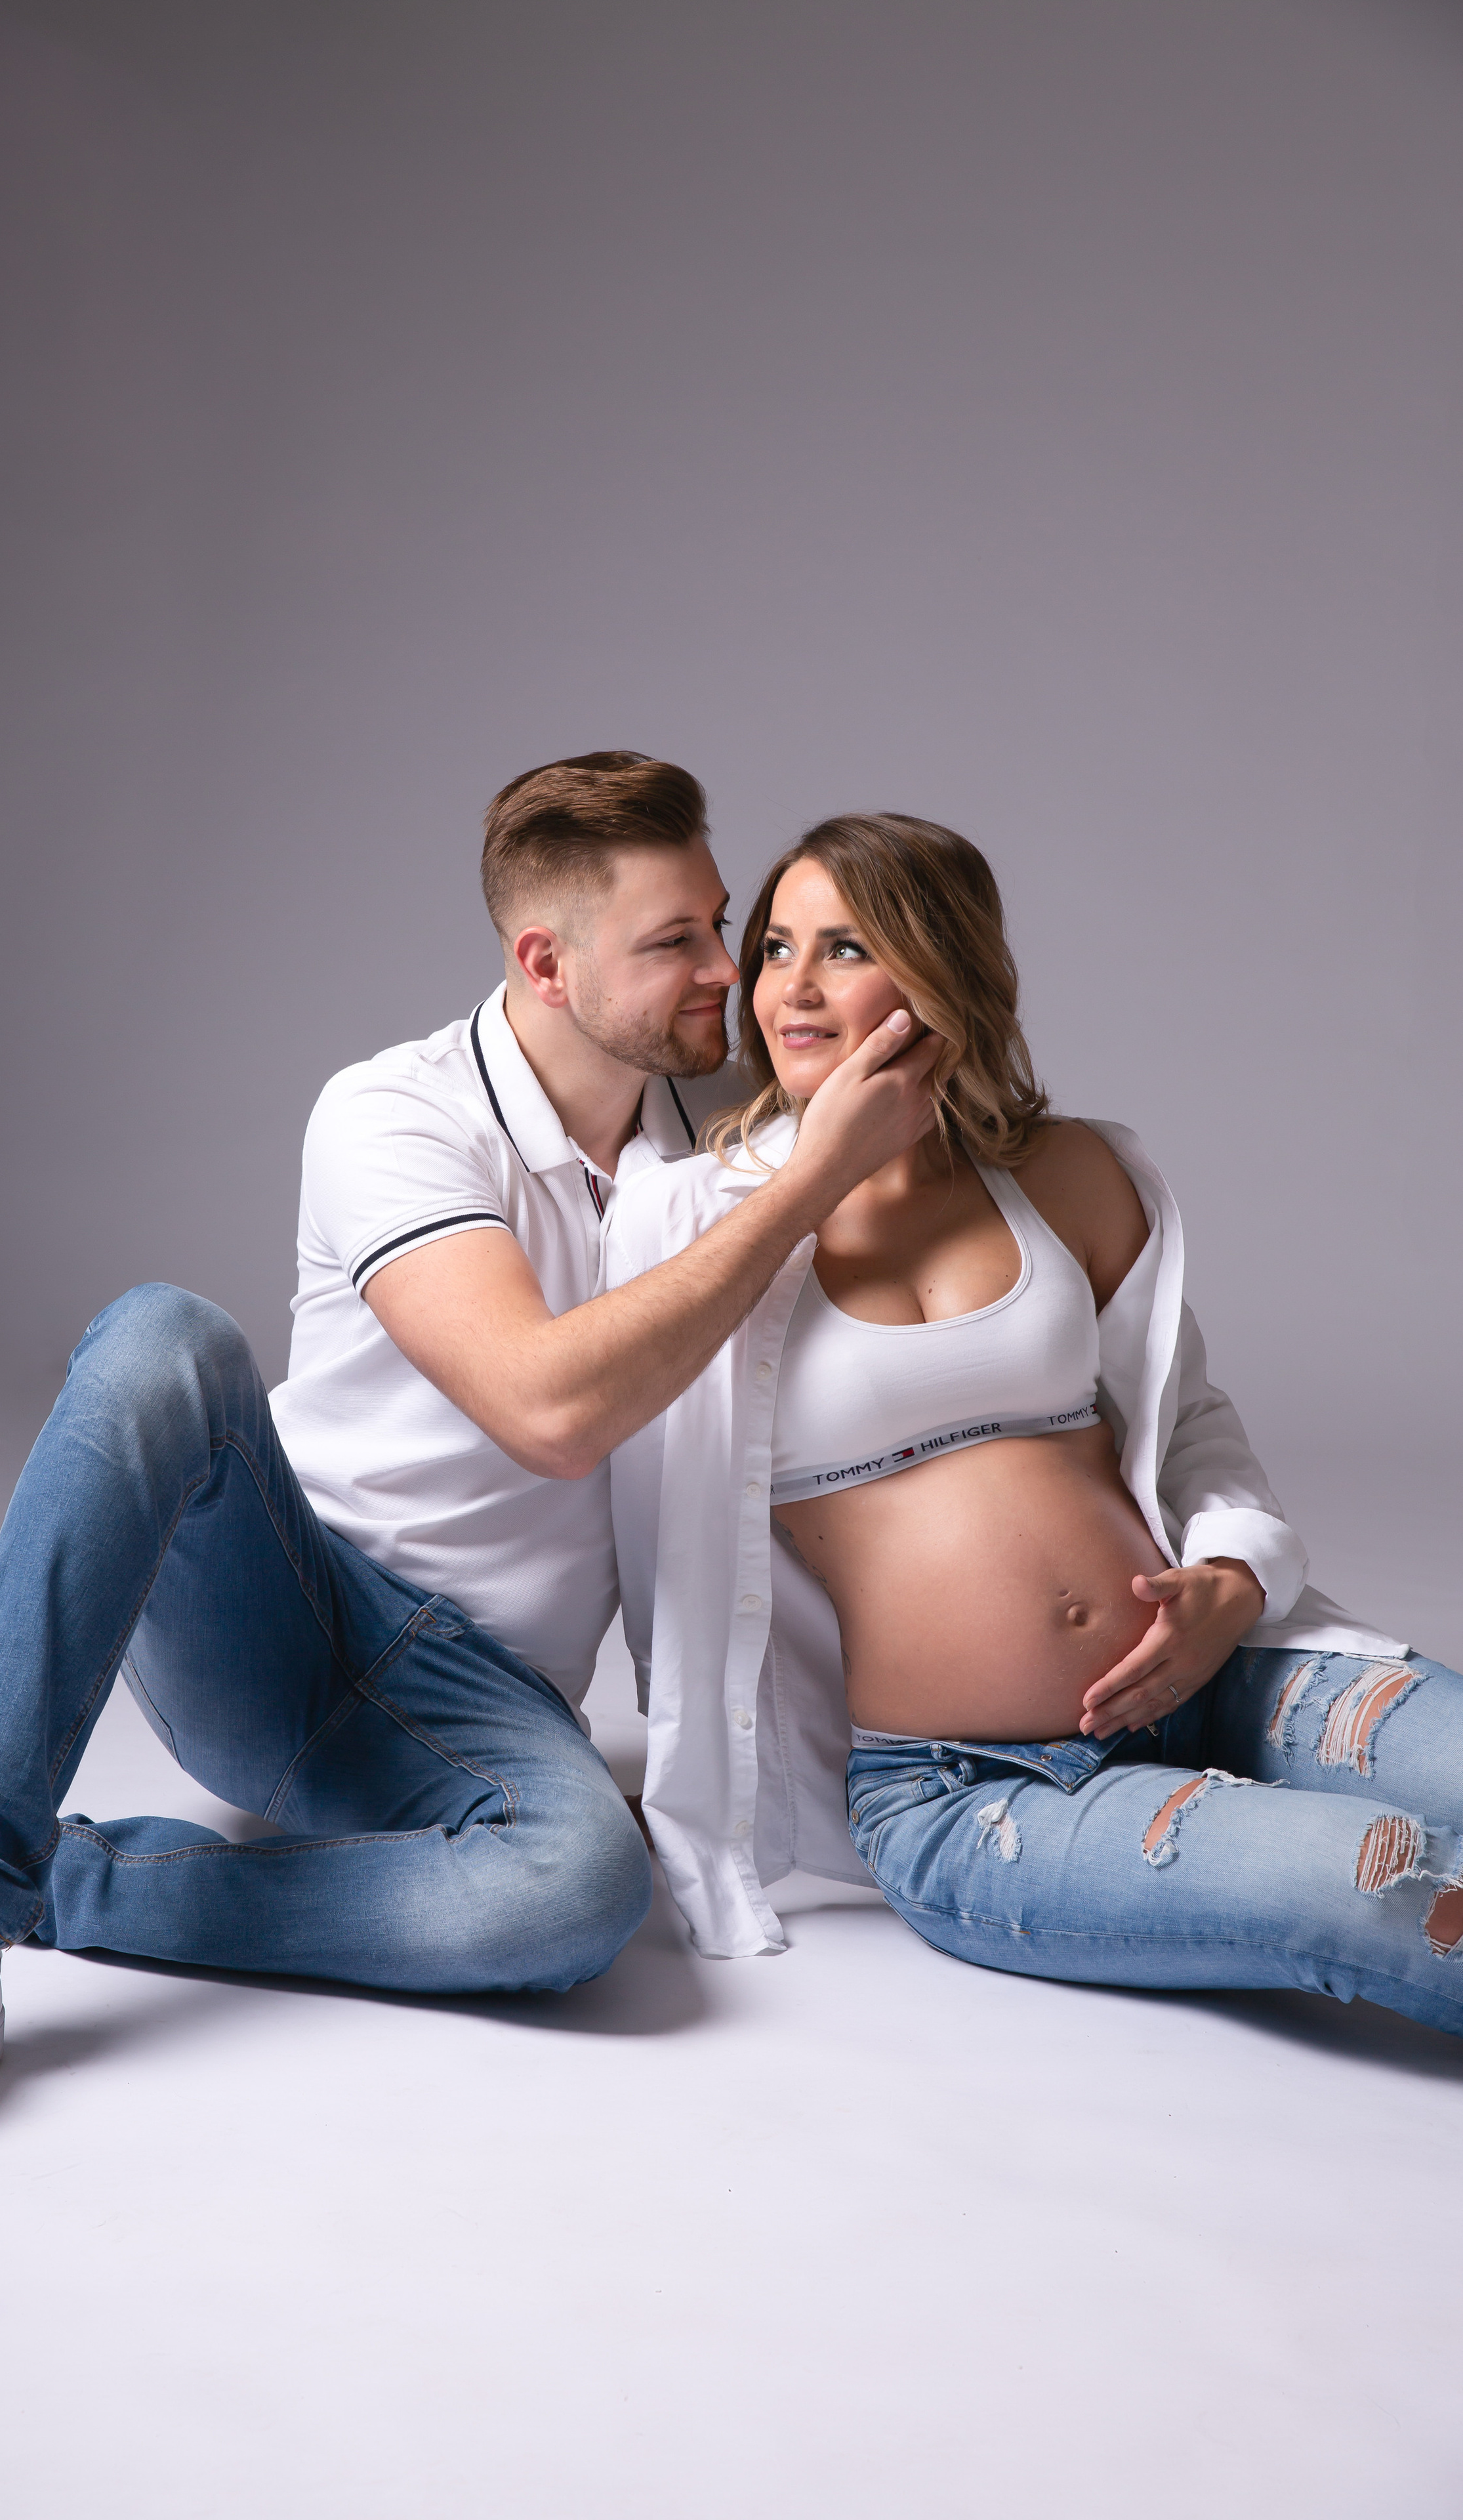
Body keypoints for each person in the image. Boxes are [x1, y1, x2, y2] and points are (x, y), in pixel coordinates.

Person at [0, 755, 938, 2179]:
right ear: (544, 962)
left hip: (477, 1699)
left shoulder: (702, 1168)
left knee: (576, 1897)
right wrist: (813, 1184)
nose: (725, 968)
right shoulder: (393, 1113)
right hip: (281, 1615)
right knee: (161, 1341)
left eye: (720, 921)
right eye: (676, 943)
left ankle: (1, 1867)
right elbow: (546, 1410)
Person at [607, 813, 1463, 2036]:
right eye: (777, 946)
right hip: (974, 1786)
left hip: (1227, 1674)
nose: (789, 986)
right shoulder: (694, 1220)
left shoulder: (1070, 1171)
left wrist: (1232, 1573)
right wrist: (817, 1169)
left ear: (942, 965)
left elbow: (1193, 1422)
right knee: (1391, 1882)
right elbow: (598, 1440)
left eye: (845, 948)